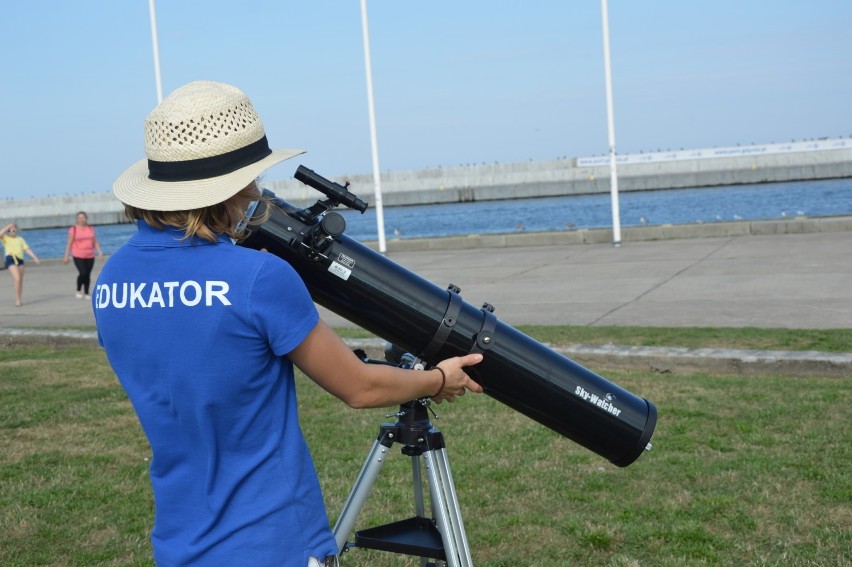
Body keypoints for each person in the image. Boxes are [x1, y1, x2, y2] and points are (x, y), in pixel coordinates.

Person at [94, 81, 484, 567]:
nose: (258, 191)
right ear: (231, 187)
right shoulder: (256, 277)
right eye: (252, 178)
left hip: (181, 542)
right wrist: (439, 378)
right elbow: (358, 387)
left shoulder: (111, 279)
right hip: (272, 541)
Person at [63, 211, 104, 299]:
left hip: (90, 255)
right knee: (83, 272)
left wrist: (100, 252)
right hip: (78, 254)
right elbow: (69, 243)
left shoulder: (90, 228)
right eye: (79, 218)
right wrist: (66, 256)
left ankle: (86, 292)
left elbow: (95, 242)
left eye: (83, 217)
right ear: (77, 219)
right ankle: (78, 289)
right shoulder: (73, 229)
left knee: (88, 274)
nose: (81, 219)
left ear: (86, 218)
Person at [1, 222, 41, 306]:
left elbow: (27, 249)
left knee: (20, 281)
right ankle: (17, 300)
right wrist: (8, 226)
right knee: (17, 278)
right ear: (7, 231)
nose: (12, 231)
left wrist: (35, 258)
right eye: (10, 230)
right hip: (10, 258)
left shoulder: (20, 239)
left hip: (20, 260)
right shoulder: (5, 238)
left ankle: (19, 298)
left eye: (14, 229)